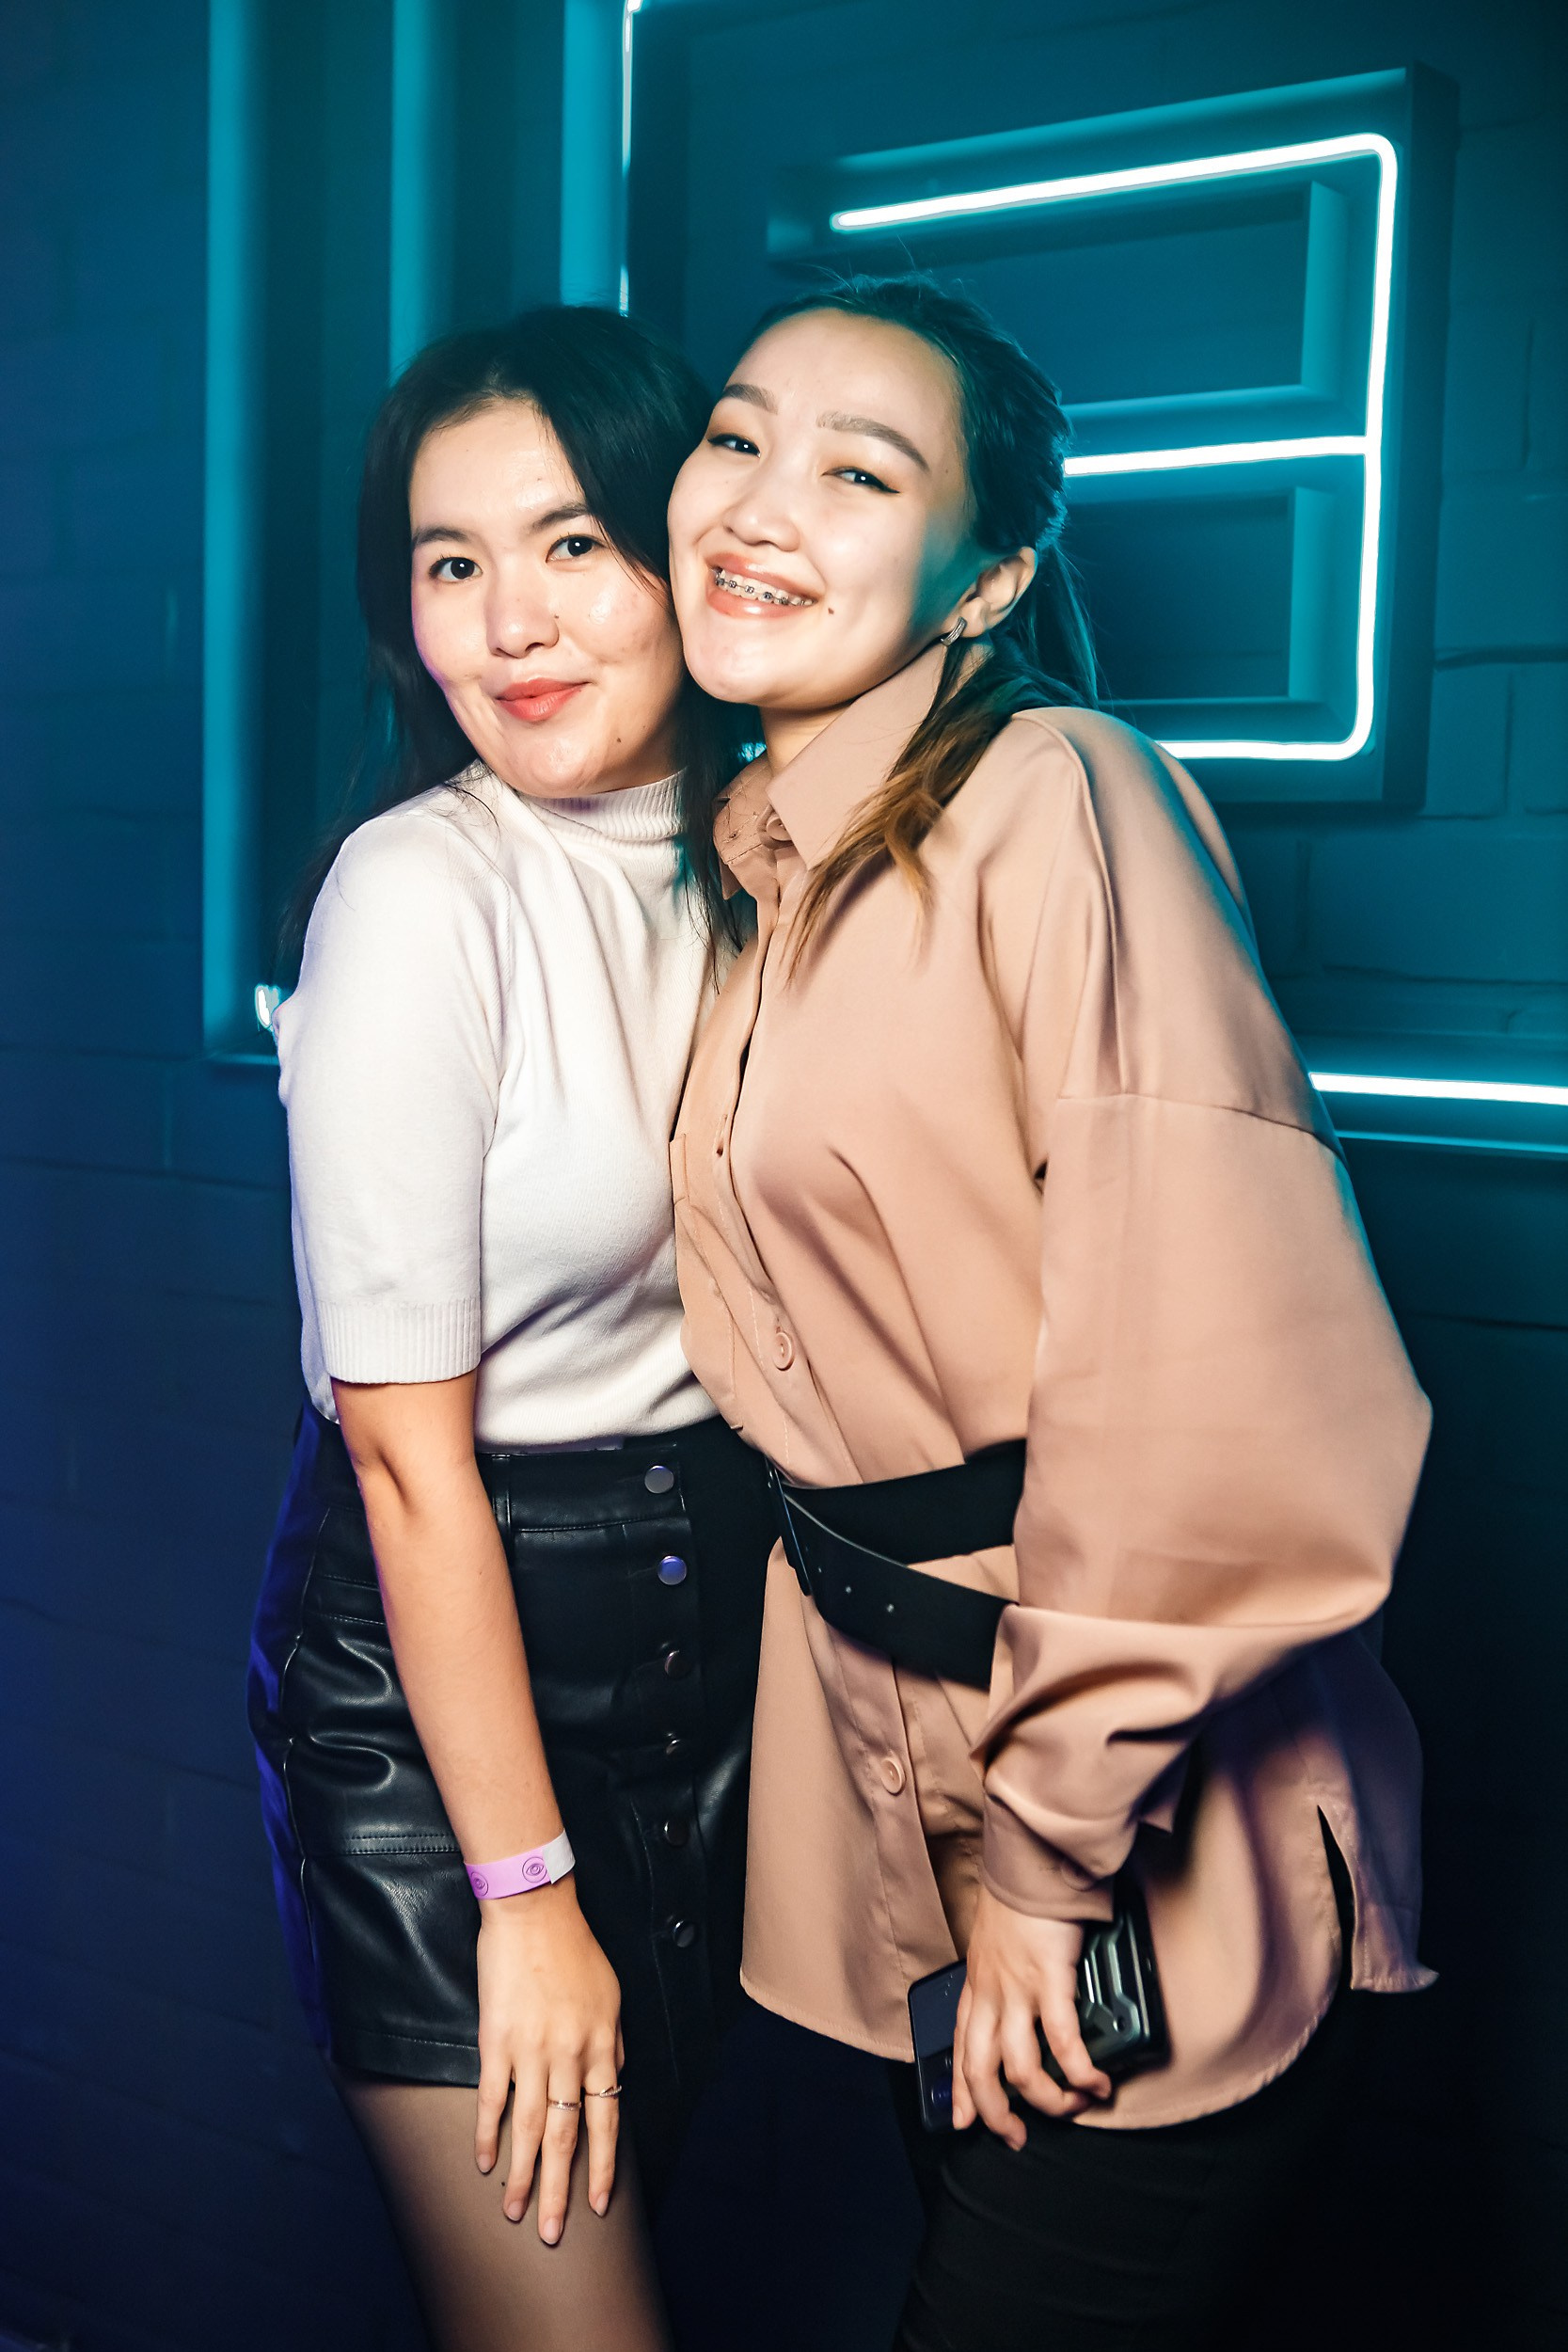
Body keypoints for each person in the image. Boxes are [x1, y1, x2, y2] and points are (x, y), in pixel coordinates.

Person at [664, 273, 1433, 2351]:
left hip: (1125, 1833)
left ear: (989, 575)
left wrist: (1048, 1864)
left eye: (860, 471)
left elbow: (1215, 1389)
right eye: (735, 437)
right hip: (909, 1795)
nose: (760, 502)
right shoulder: (763, 865)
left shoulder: (1062, 797)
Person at [247, 306, 774, 2352]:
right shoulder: (416, 894)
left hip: (713, 1659)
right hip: (445, 1698)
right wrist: (524, 1893)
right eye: (449, 560)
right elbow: (405, 1460)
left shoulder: (767, 862)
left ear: (687, 553)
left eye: (571, 543)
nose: (509, 621)